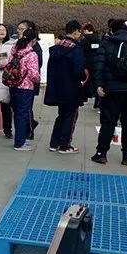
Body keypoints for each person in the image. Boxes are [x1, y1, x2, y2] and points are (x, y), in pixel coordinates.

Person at [91, 19, 127, 166]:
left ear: (112, 29)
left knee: (108, 121)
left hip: (112, 88)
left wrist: (99, 85)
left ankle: (101, 153)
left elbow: (99, 65)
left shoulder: (107, 43)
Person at [44, 21, 86, 154]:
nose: (80, 35)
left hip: (57, 88)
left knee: (61, 115)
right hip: (72, 88)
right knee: (70, 116)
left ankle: (54, 143)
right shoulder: (76, 49)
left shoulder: (56, 49)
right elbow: (79, 70)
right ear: (75, 32)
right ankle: (65, 145)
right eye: (79, 32)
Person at [9, 28, 41, 151]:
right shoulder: (31, 54)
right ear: (33, 40)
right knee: (22, 114)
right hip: (26, 88)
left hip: (13, 86)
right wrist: (38, 79)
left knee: (17, 114)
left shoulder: (14, 51)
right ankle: (20, 143)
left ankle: (19, 139)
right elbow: (34, 74)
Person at [16, 20, 43, 139]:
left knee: (26, 110)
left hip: (27, 84)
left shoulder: (35, 49)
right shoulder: (17, 45)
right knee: (20, 110)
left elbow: (37, 67)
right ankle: (25, 130)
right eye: (18, 28)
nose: (19, 31)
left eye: (22, 29)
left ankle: (28, 130)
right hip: (17, 83)